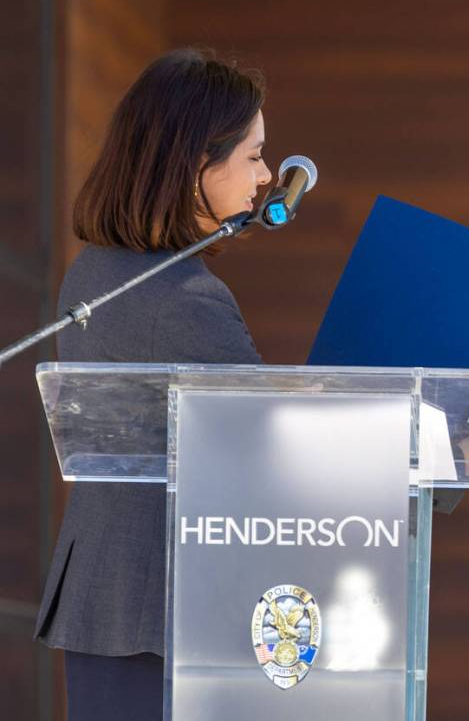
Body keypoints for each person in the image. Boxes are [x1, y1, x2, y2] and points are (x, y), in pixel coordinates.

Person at [34, 49, 271, 720]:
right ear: (198, 159)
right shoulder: (183, 295)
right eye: (253, 156)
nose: (265, 177)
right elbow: (277, 445)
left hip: (111, 599)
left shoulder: (95, 270)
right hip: (160, 613)